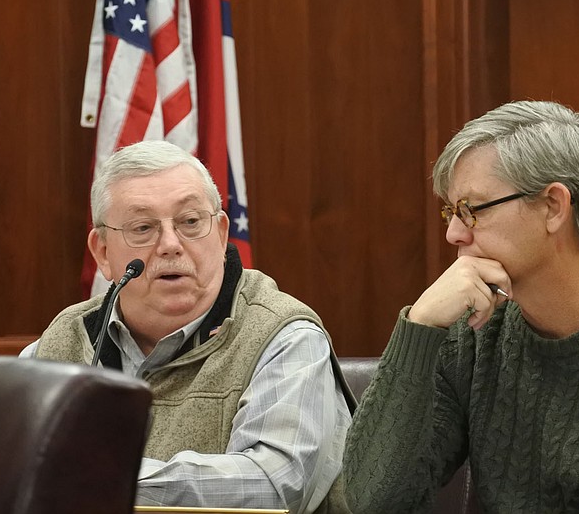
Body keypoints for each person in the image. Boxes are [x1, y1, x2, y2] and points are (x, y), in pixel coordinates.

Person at [341, 100, 579, 513]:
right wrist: (420, 326)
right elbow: (372, 503)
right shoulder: (473, 334)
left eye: (470, 210)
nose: (452, 234)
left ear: (553, 207)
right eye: (450, 212)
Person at [21, 140, 354, 513]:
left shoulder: (285, 337)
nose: (169, 245)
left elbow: (274, 487)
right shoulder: (58, 345)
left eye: (190, 222)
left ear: (222, 234)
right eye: (143, 227)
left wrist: (104, 480)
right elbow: (6, 467)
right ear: (102, 252)